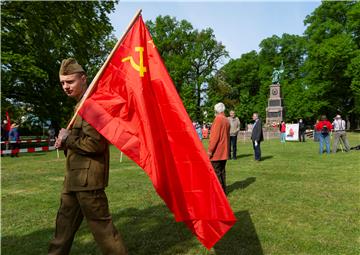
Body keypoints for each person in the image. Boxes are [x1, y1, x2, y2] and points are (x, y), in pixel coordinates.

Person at [48, 58, 127, 255]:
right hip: (73, 181)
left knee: (105, 233)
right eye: (62, 83)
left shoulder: (91, 106)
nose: (65, 87)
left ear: (83, 79)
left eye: (70, 81)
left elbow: (96, 144)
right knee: (62, 232)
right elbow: (79, 143)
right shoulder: (80, 106)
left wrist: (68, 141)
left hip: (88, 182)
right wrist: (65, 140)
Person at [208, 102, 230, 194]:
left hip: (217, 152)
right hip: (224, 151)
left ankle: (219, 193)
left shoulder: (218, 119)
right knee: (222, 172)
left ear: (216, 110)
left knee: (217, 173)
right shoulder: (226, 119)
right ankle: (223, 192)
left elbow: (214, 137)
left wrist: (210, 151)